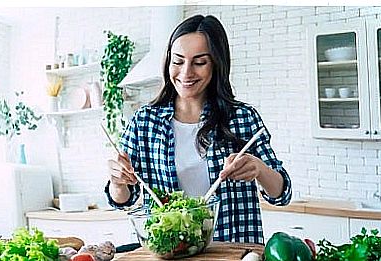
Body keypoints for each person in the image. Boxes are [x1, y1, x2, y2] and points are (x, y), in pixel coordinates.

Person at [104, 14, 291, 243]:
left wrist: (259, 169)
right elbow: (123, 200)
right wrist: (117, 181)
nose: (186, 73)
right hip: (170, 257)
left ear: (217, 64)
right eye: (178, 61)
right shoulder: (145, 122)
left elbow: (281, 194)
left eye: (199, 62)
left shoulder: (242, 118)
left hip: (233, 256)